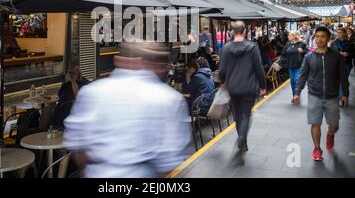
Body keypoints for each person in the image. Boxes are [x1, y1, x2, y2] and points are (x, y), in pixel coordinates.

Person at [64, 42, 191, 177]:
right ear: (158, 66)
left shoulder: (90, 92)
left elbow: (78, 148)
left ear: (118, 61)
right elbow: (170, 163)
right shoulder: (170, 99)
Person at [294, 26, 349, 162]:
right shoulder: (308, 57)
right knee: (315, 122)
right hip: (314, 95)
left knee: (334, 125)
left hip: (332, 96)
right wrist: (297, 92)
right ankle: (317, 148)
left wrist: (345, 94)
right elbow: (302, 75)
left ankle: (330, 135)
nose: (319, 39)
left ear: (328, 38)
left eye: (322, 36)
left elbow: (343, 76)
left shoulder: (337, 56)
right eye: (317, 36)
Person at [218, 21, 266, 152]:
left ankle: (241, 137)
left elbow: (221, 70)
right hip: (249, 87)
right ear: (244, 31)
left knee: (237, 114)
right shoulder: (252, 47)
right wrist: (263, 85)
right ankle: (242, 137)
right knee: (246, 114)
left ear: (232, 31)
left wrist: (224, 81)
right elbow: (258, 68)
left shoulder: (226, 48)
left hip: (232, 87)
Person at [280, 31, 308, 103]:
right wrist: (284, 62)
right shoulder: (288, 44)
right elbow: (283, 54)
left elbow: (308, 52)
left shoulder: (302, 44)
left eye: (289, 35)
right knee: (292, 81)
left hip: (299, 65)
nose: (288, 36)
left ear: (294, 36)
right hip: (290, 66)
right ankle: (294, 96)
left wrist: (302, 51)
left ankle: (297, 95)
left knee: (296, 80)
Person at [332, 28, 353, 106]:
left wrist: (347, 54)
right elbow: (331, 52)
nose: (338, 34)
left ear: (344, 33)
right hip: (336, 64)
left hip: (347, 64)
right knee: (338, 81)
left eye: (340, 32)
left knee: (343, 81)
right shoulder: (334, 42)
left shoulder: (349, 43)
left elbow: (354, 53)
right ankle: (341, 97)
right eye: (338, 32)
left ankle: (342, 99)